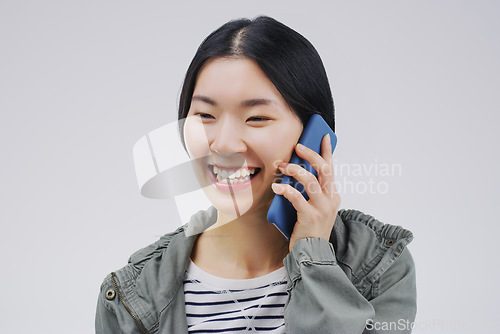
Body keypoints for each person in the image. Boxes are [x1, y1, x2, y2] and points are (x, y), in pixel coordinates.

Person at [95, 16, 416, 334]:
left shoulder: (378, 268)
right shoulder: (128, 299)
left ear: (315, 136)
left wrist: (314, 257)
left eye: (257, 118)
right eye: (205, 115)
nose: (223, 144)